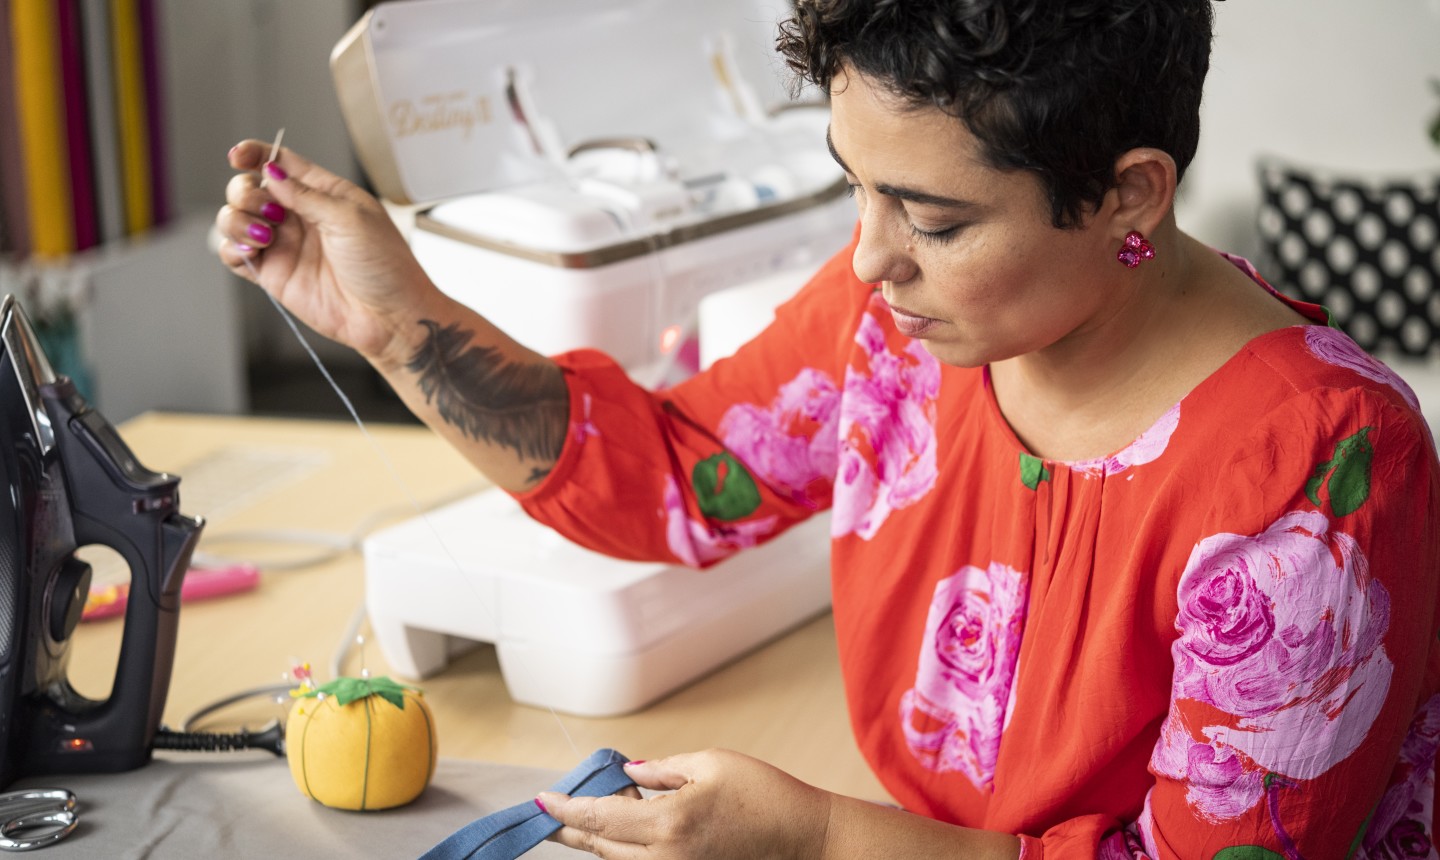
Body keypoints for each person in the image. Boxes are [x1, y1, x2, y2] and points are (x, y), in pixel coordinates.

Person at [215, 0, 1440, 856]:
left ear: (1129, 192)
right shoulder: (893, 326)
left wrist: (816, 836)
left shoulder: (1315, 471)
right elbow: (687, 472)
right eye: (854, 183)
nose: (867, 257)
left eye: (934, 220)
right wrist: (398, 326)